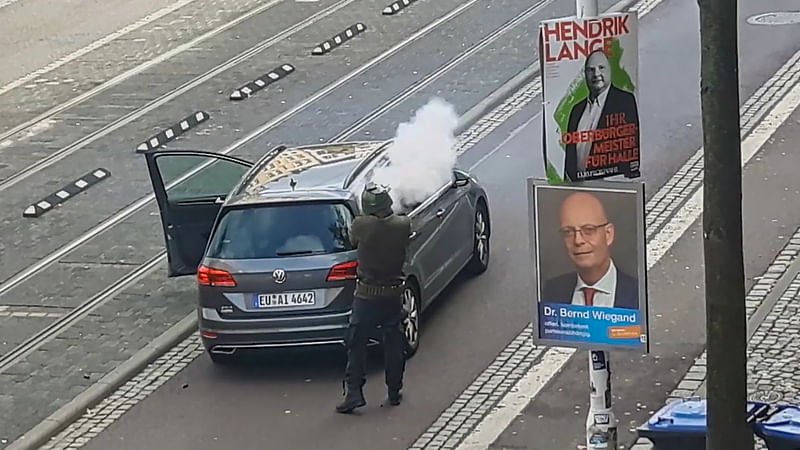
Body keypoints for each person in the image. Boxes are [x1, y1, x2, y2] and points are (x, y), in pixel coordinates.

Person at [336, 182, 411, 414]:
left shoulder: (361, 225)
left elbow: (351, 240)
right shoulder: (402, 224)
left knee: (356, 343)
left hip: (366, 294)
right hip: (393, 293)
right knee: (393, 343)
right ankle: (394, 390)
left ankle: (354, 392)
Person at [542, 191, 638, 309]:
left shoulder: (638, 292)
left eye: (588, 230)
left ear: (608, 234)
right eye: (568, 232)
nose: (578, 240)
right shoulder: (553, 291)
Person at [563, 49, 639, 181]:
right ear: (585, 74)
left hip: (611, 185)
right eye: (590, 70)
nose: (596, 74)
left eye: (601, 68)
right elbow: (570, 157)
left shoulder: (625, 101)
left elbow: (631, 145)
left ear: (610, 70)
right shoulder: (576, 110)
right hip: (580, 188)